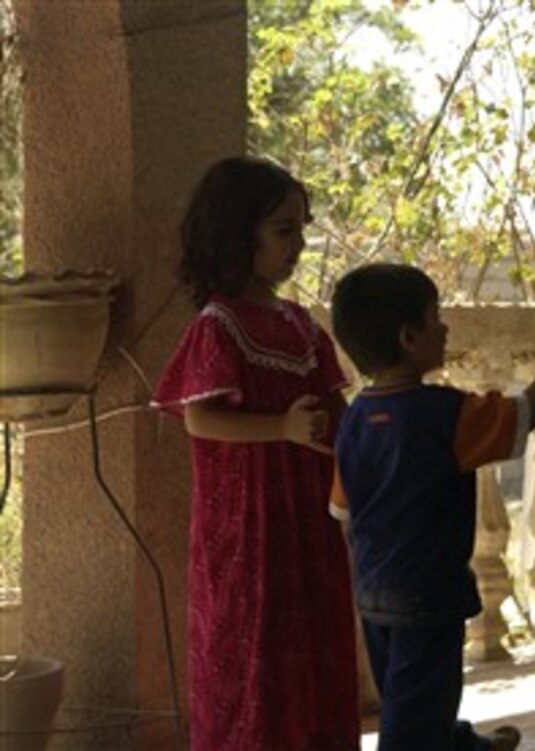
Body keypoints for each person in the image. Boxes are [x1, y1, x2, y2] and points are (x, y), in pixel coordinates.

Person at [328, 263, 535, 751]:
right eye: (436, 318)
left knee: (407, 698)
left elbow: (342, 511)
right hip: (429, 595)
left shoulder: (355, 420)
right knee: (414, 721)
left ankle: (461, 744)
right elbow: (527, 412)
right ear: (410, 338)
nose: (445, 327)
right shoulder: (447, 413)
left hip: (372, 591)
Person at [151, 156, 359, 751]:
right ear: (239, 233)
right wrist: (282, 430)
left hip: (309, 524)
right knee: (252, 654)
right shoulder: (218, 326)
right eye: (283, 230)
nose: (298, 244)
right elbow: (200, 417)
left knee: (312, 649)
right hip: (246, 533)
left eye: (302, 228)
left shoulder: (300, 325)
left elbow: (336, 412)